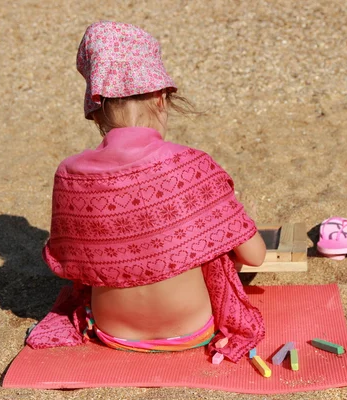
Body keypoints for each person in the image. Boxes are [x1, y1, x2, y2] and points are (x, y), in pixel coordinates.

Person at [26, 21, 266, 363]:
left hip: (111, 331)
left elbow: (70, 261)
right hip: (193, 328)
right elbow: (254, 256)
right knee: (211, 250)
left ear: (95, 112)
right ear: (160, 97)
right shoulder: (191, 165)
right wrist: (219, 213)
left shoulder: (70, 174)